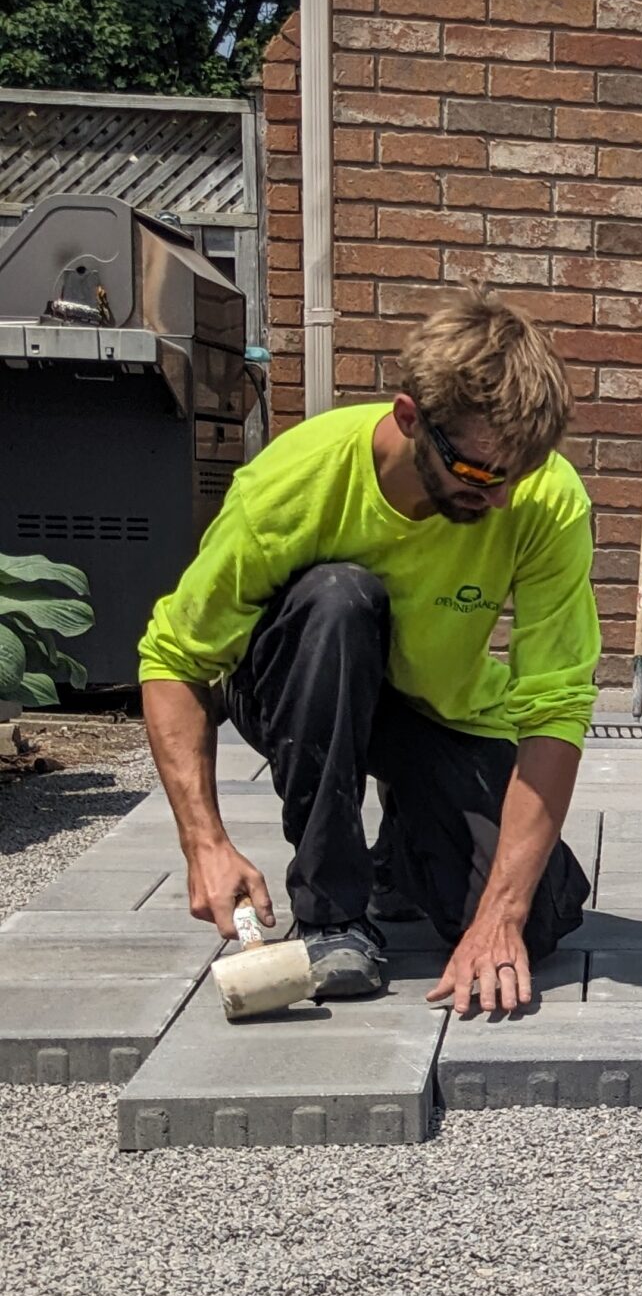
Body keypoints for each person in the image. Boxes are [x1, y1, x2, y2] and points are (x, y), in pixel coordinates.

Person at [137, 287, 600, 1018]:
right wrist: (206, 843)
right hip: (298, 680)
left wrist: (501, 915)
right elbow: (174, 658)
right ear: (410, 418)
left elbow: (556, 705)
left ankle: (396, 858)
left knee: (541, 920)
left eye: (522, 472)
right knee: (340, 599)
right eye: (481, 474)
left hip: (428, 708)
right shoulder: (295, 484)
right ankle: (332, 913)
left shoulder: (543, 499)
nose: (505, 499)